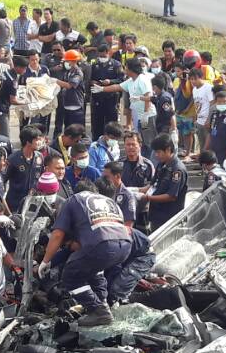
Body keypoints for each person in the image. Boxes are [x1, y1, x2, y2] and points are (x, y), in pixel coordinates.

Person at [39, 182, 132, 326]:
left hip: (102, 244)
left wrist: (46, 261)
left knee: (70, 274)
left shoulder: (74, 200)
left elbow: (57, 234)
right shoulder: (108, 201)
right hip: (125, 245)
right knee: (94, 270)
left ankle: (99, 311)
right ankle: (102, 305)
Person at [142, 134, 187, 231]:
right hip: (156, 213)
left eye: (158, 152)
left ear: (168, 149)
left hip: (169, 217)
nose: (156, 155)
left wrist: (147, 198)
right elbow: (153, 185)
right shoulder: (161, 164)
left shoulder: (177, 170)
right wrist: (136, 191)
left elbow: (171, 196)